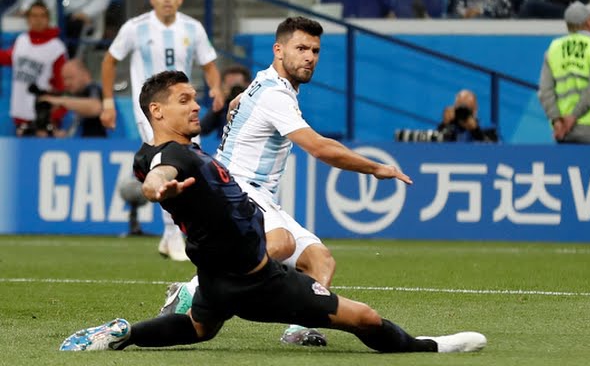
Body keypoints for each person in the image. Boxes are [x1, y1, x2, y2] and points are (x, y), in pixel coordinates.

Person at [58, 70, 487, 355]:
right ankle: (430, 346)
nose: (195, 105)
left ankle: (124, 333)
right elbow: (157, 173)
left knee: (199, 327)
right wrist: (157, 187)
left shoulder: (165, 151)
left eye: (194, 98)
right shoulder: (174, 156)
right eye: (184, 100)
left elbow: (152, 164)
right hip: (259, 281)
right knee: (365, 318)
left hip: (217, 280)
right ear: (157, 111)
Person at [160, 17, 416, 347]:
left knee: (320, 260)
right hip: (236, 188)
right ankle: (193, 288)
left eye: (315, 50)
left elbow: (244, 101)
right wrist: (375, 168)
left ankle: (298, 327)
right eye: (301, 48)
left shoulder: (268, 84)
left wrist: (240, 102)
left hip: (256, 192)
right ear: (278, 50)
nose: (309, 57)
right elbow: (320, 148)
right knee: (280, 244)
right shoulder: (274, 95)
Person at [100, 0, 225, 262]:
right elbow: (109, 61)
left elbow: (209, 64)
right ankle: (173, 234)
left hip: (181, 109)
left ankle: (177, 234)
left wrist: (216, 88)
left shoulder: (192, 28)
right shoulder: (135, 28)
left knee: (189, 164)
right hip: (150, 111)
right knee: (168, 160)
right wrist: (107, 102)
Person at [537, 2, 590, 144]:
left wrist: (556, 120)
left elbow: (545, 91)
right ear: (589, 23)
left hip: (565, 132)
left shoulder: (553, 49)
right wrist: (573, 117)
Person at [0, 1, 67, 137]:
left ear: (48, 19)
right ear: (28, 19)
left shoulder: (56, 48)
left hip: (44, 117)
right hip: (21, 113)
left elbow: (62, 85)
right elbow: (9, 57)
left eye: (42, 16)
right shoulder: (22, 40)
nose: (38, 20)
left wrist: (55, 116)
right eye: (34, 16)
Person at [38, 59, 107, 137]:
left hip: (99, 143)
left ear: (85, 74)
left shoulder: (94, 89)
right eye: (64, 79)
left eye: (70, 78)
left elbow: (96, 107)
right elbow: (69, 134)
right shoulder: (75, 100)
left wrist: (61, 101)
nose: (66, 83)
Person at [199, 65, 251, 139]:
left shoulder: (255, 106)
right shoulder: (223, 106)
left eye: (237, 87)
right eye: (229, 86)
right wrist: (216, 110)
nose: (234, 91)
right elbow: (202, 130)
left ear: (248, 85)